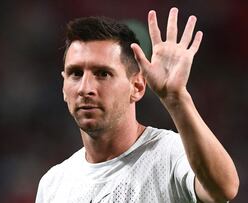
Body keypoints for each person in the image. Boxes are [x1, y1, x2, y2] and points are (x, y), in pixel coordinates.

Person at [36, 7, 239, 203]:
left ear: (137, 86)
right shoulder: (53, 184)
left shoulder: (170, 154)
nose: (85, 88)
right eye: (76, 73)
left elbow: (223, 189)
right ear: (63, 86)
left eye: (103, 74)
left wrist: (176, 99)